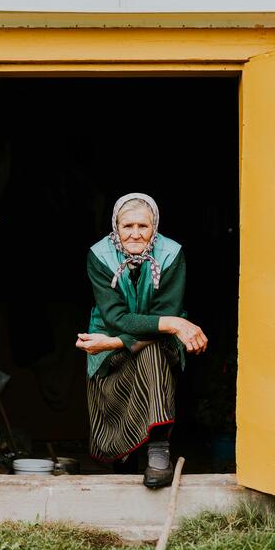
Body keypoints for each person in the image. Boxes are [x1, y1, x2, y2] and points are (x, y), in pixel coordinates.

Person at [75, 192, 208, 488]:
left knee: (154, 353)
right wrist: (173, 323)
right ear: (116, 228)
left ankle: (159, 453)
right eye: (128, 226)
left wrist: (113, 342)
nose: (135, 234)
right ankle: (126, 470)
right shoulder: (99, 256)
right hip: (109, 351)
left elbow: (164, 317)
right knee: (129, 382)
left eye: (143, 227)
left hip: (133, 345)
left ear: (154, 228)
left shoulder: (172, 254)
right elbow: (116, 318)